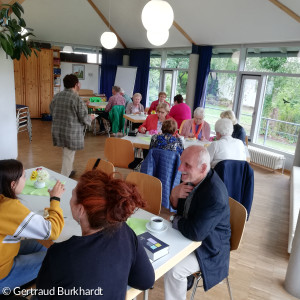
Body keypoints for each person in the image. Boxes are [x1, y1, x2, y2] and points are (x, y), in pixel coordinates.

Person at [36, 170, 155, 299]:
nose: (70, 200)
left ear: (81, 210)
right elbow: (146, 281)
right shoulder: (124, 231)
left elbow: (43, 294)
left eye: (72, 195)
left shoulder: (61, 254)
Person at [164, 146, 231, 300]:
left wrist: (174, 220)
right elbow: (180, 209)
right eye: (181, 162)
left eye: (187, 165)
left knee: (174, 270)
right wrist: (174, 194)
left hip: (210, 248)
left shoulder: (214, 194)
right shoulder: (192, 179)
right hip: (189, 237)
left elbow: (196, 233)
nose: (180, 168)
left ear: (203, 168)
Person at [0, 159, 65, 293]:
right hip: (2, 275)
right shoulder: (9, 208)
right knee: (56, 259)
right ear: (13, 185)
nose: (26, 178)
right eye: (24, 176)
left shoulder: (4, 201)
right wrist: (55, 200)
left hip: (4, 252)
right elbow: (53, 231)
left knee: (42, 245)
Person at [50, 74, 95, 177]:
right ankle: (64, 177)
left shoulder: (57, 96)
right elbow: (83, 117)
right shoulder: (76, 98)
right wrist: (91, 118)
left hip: (59, 129)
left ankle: (69, 170)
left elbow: (52, 110)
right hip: (71, 132)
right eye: (79, 82)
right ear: (76, 84)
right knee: (68, 155)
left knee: (67, 152)